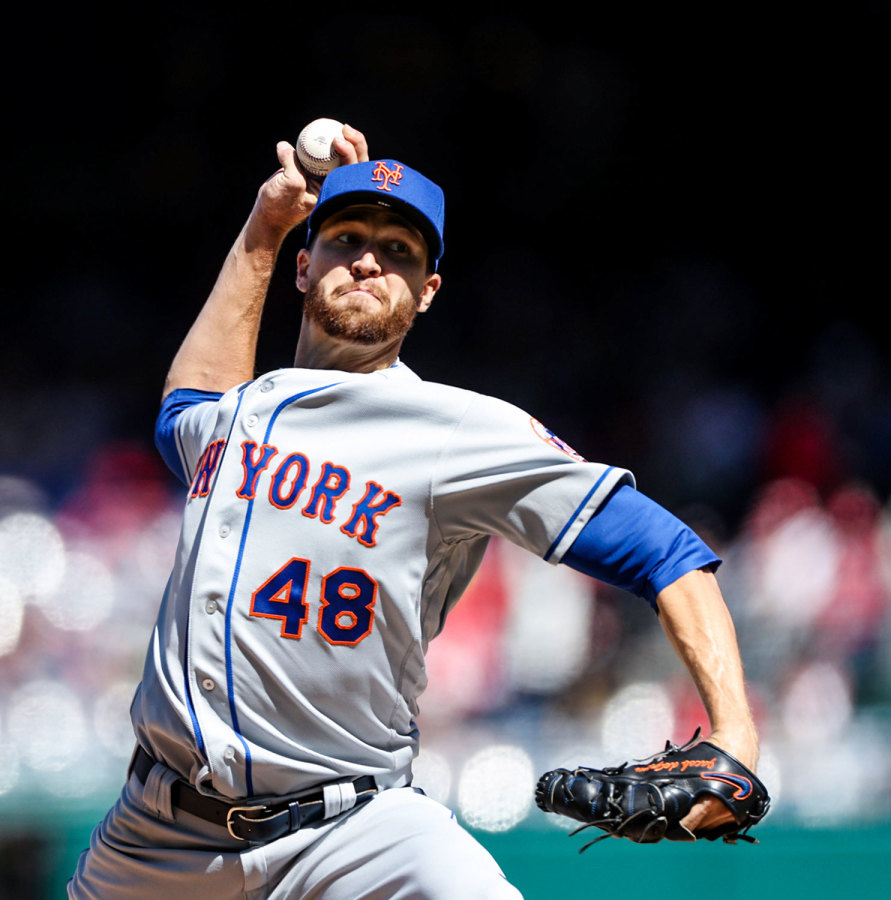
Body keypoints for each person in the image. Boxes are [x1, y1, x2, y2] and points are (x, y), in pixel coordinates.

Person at [68, 125, 760, 899]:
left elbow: (664, 550)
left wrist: (735, 732)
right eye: (346, 239)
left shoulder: (456, 429)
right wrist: (265, 226)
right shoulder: (239, 411)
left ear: (428, 291)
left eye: (398, 251)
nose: (369, 260)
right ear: (304, 265)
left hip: (353, 831)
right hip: (159, 837)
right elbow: (183, 413)